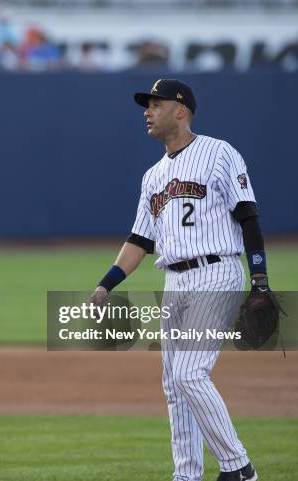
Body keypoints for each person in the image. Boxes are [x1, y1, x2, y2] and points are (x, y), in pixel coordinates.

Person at [90, 79, 264, 481]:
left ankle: (239, 467)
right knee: (174, 384)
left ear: (180, 110)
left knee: (189, 373)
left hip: (216, 271)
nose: (146, 112)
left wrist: (259, 279)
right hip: (175, 281)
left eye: (155, 104)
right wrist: (106, 284)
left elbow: (248, 215)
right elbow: (139, 240)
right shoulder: (153, 176)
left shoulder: (218, 152)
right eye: (146, 106)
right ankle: (187, 475)